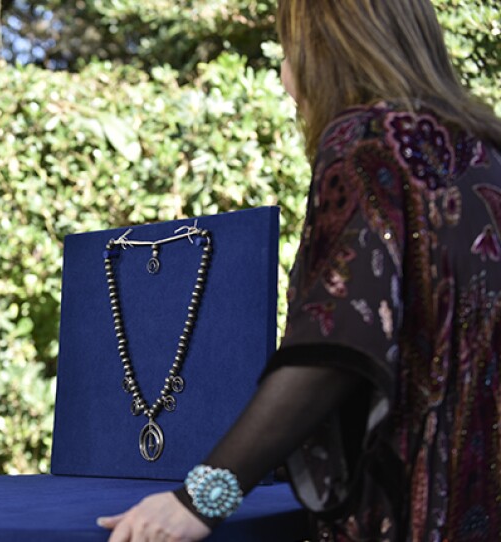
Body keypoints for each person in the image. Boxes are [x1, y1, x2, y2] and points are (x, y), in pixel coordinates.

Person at [97, 0, 501, 540]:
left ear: (323, 53)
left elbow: (337, 345)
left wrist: (200, 499)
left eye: (289, 52)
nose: (285, 75)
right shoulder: (485, 149)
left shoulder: (368, 144)